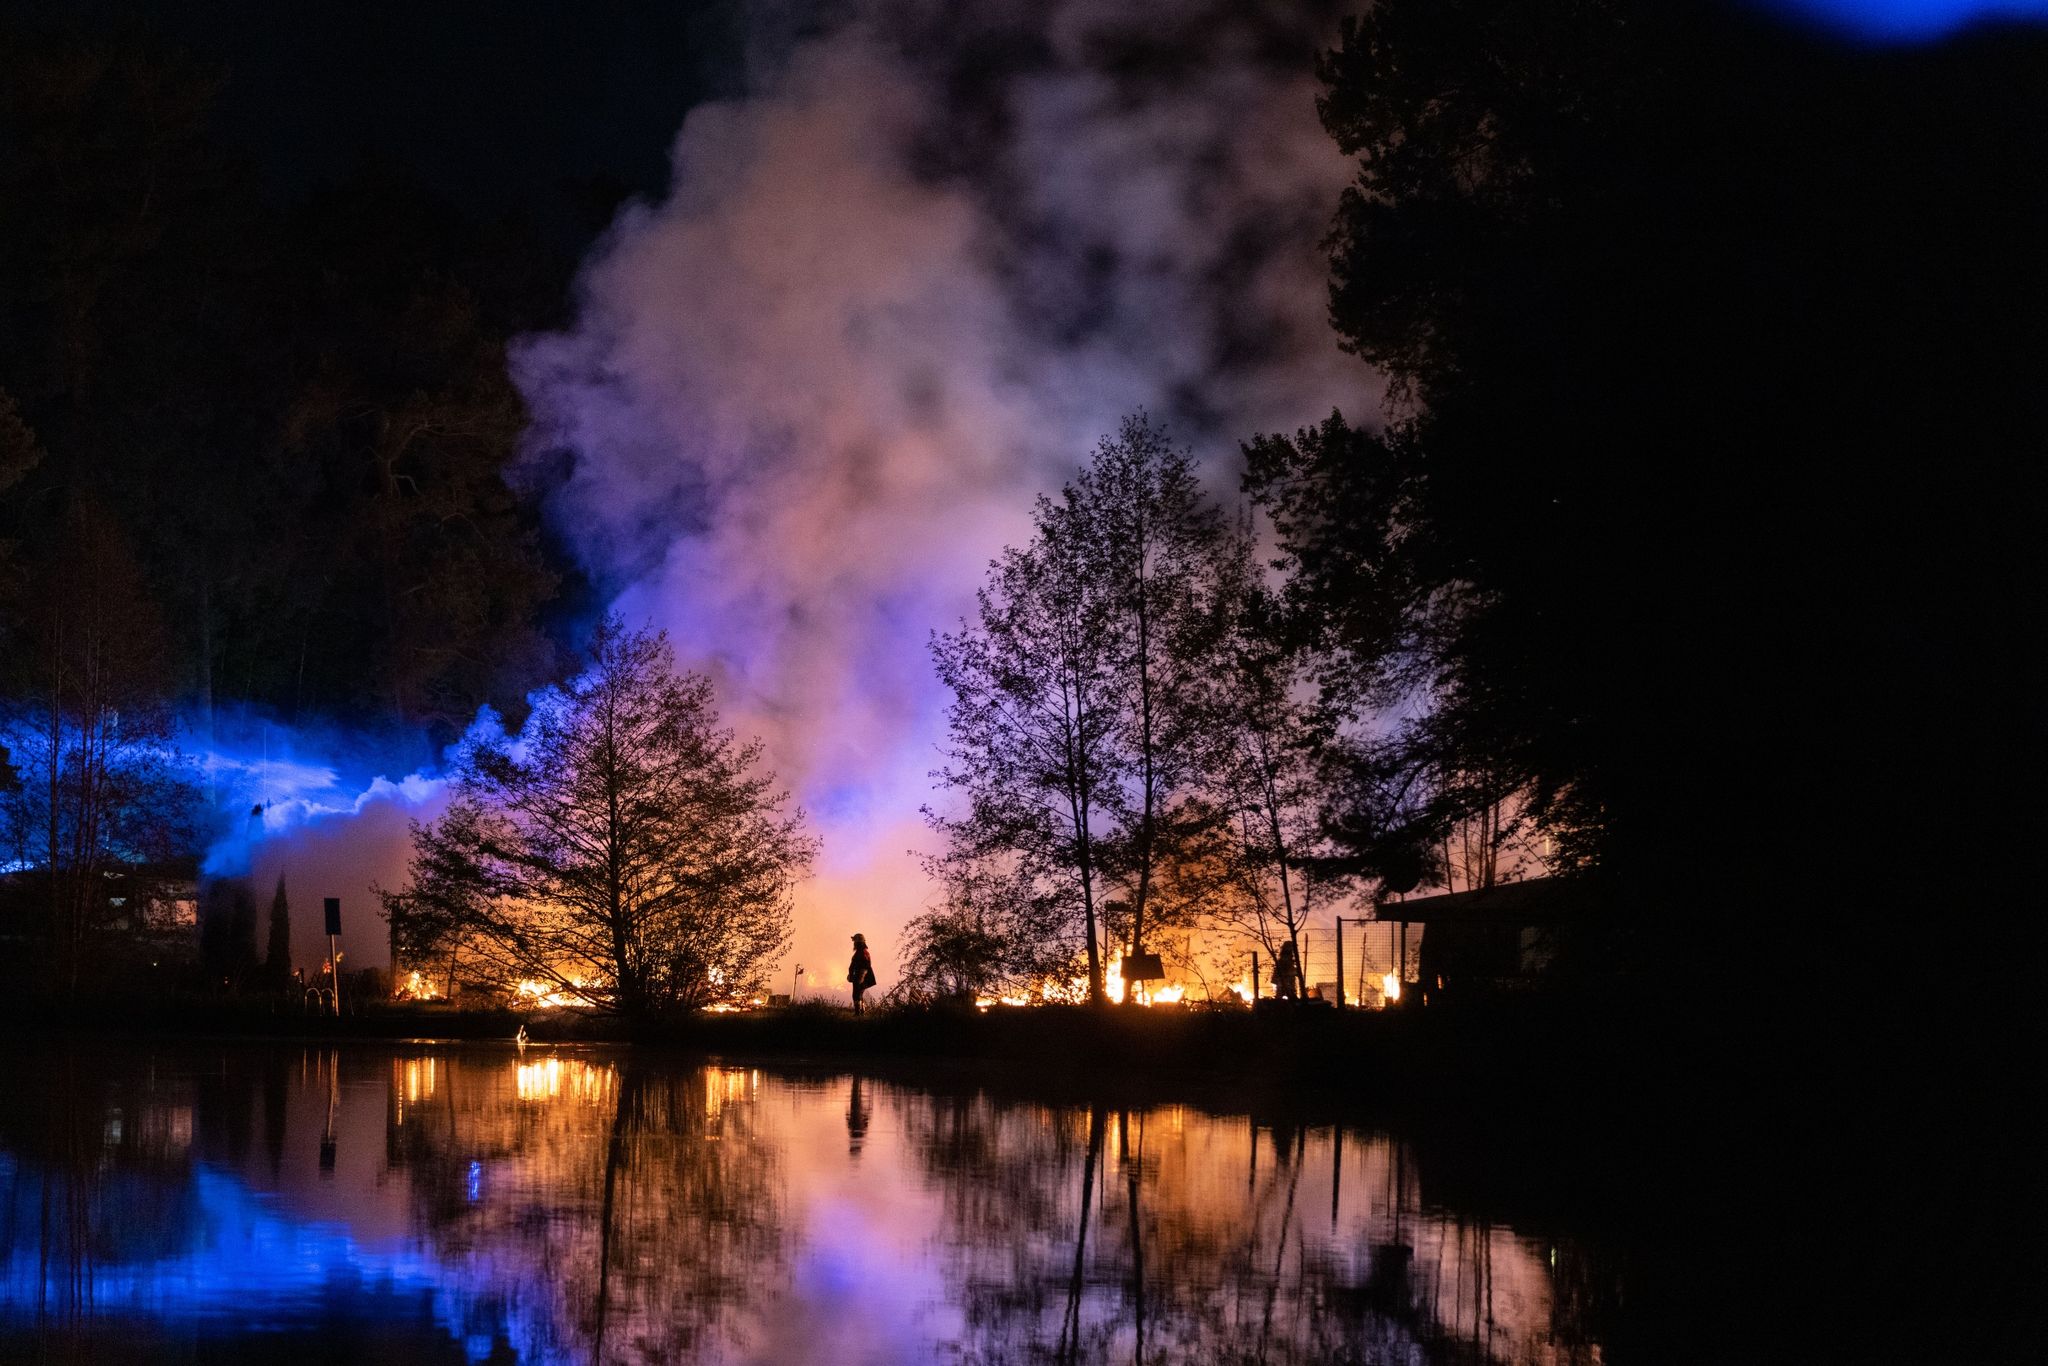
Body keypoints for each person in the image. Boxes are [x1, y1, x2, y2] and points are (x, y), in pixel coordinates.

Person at [847, 933, 878, 1013]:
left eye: (855, 942)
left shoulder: (862, 953)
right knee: (859, 994)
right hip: (860, 975)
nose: (854, 943)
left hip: (860, 976)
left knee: (856, 994)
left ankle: (858, 1012)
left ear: (858, 943)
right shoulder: (862, 952)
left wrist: (860, 977)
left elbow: (864, 966)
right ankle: (861, 1011)